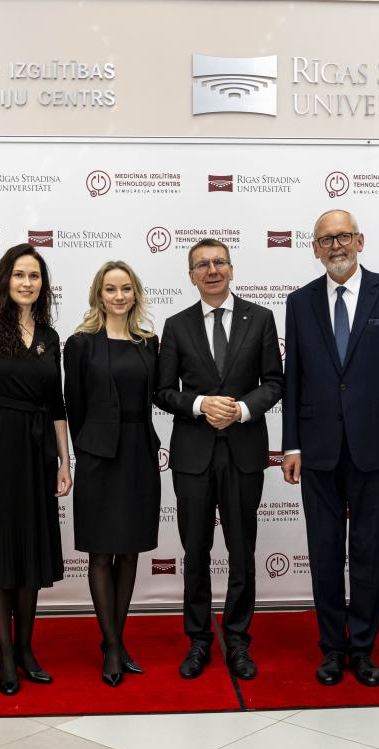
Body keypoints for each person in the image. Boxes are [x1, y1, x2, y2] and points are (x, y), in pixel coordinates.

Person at [282, 210, 379, 687]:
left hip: (375, 448)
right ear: (314, 248)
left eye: (343, 236)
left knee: (367, 551)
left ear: (360, 241)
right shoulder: (299, 302)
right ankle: (331, 649)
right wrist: (291, 445)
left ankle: (362, 648)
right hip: (317, 448)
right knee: (323, 554)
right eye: (325, 239)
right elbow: (294, 378)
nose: (335, 245)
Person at [155, 239, 283, 681]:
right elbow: (162, 391)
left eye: (219, 262)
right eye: (202, 265)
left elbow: (275, 382)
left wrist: (242, 409)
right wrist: (200, 404)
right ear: (191, 275)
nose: (212, 270)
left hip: (244, 453)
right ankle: (198, 640)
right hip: (193, 456)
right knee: (196, 551)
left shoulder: (260, 318)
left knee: (242, 551)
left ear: (231, 268)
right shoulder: (176, 326)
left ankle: (238, 640)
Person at [0, 243, 71, 696]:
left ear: (43, 284)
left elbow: (56, 403)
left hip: (37, 454)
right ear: (5, 279)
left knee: (30, 555)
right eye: (20, 274)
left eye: (35, 276)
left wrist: (64, 461)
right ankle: (5, 655)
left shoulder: (49, 336)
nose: (27, 282)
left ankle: (26, 650)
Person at [64, 261, 160, 687]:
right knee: (101, 554)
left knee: (130, 552)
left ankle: (114, 643)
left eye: (125, 288)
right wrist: (89, 447)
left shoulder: (149, 343)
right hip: (99, 458)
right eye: (110, 289)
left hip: (139, 455)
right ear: (98, 295)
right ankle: (113, 645)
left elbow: (158, 395)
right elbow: (74, 405)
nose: (119, 296)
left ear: (135, 293)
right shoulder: (80, 344)